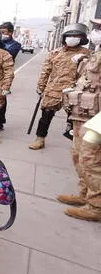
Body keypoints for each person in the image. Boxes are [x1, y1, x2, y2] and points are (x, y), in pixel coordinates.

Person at [58, 19, 101, 221]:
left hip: (97, 120)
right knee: (78, 156)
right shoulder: (96, 54)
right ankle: (85, 195)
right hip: (83, 115)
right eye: (96, 28)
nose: (96, 32)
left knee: (91, 160)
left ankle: (96, 206)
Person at [29, 23, 91, 150]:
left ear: (82, 38)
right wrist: (41, 87)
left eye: (76, 35)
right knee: (46, 115)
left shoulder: (88, 54)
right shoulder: (55, 53)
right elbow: (45, 71)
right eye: (70, 35)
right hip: (54, 90)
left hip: (76, 92)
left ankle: (77, 146)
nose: (72, 38)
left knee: (75, 120)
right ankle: (40, 139)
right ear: (64, 37)